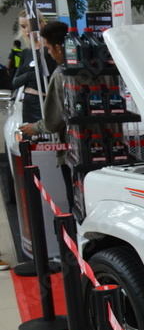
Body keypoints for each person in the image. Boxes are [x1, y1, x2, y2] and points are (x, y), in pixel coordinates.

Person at [18, 21, 72, 205]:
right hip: (108, 151)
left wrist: (35, 127)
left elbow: (53, 121)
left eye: (48, 48)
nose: (48, 52)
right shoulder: (99, 67)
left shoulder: (61, 74)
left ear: (58, 47)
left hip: (73, 152)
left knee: (77, 202)